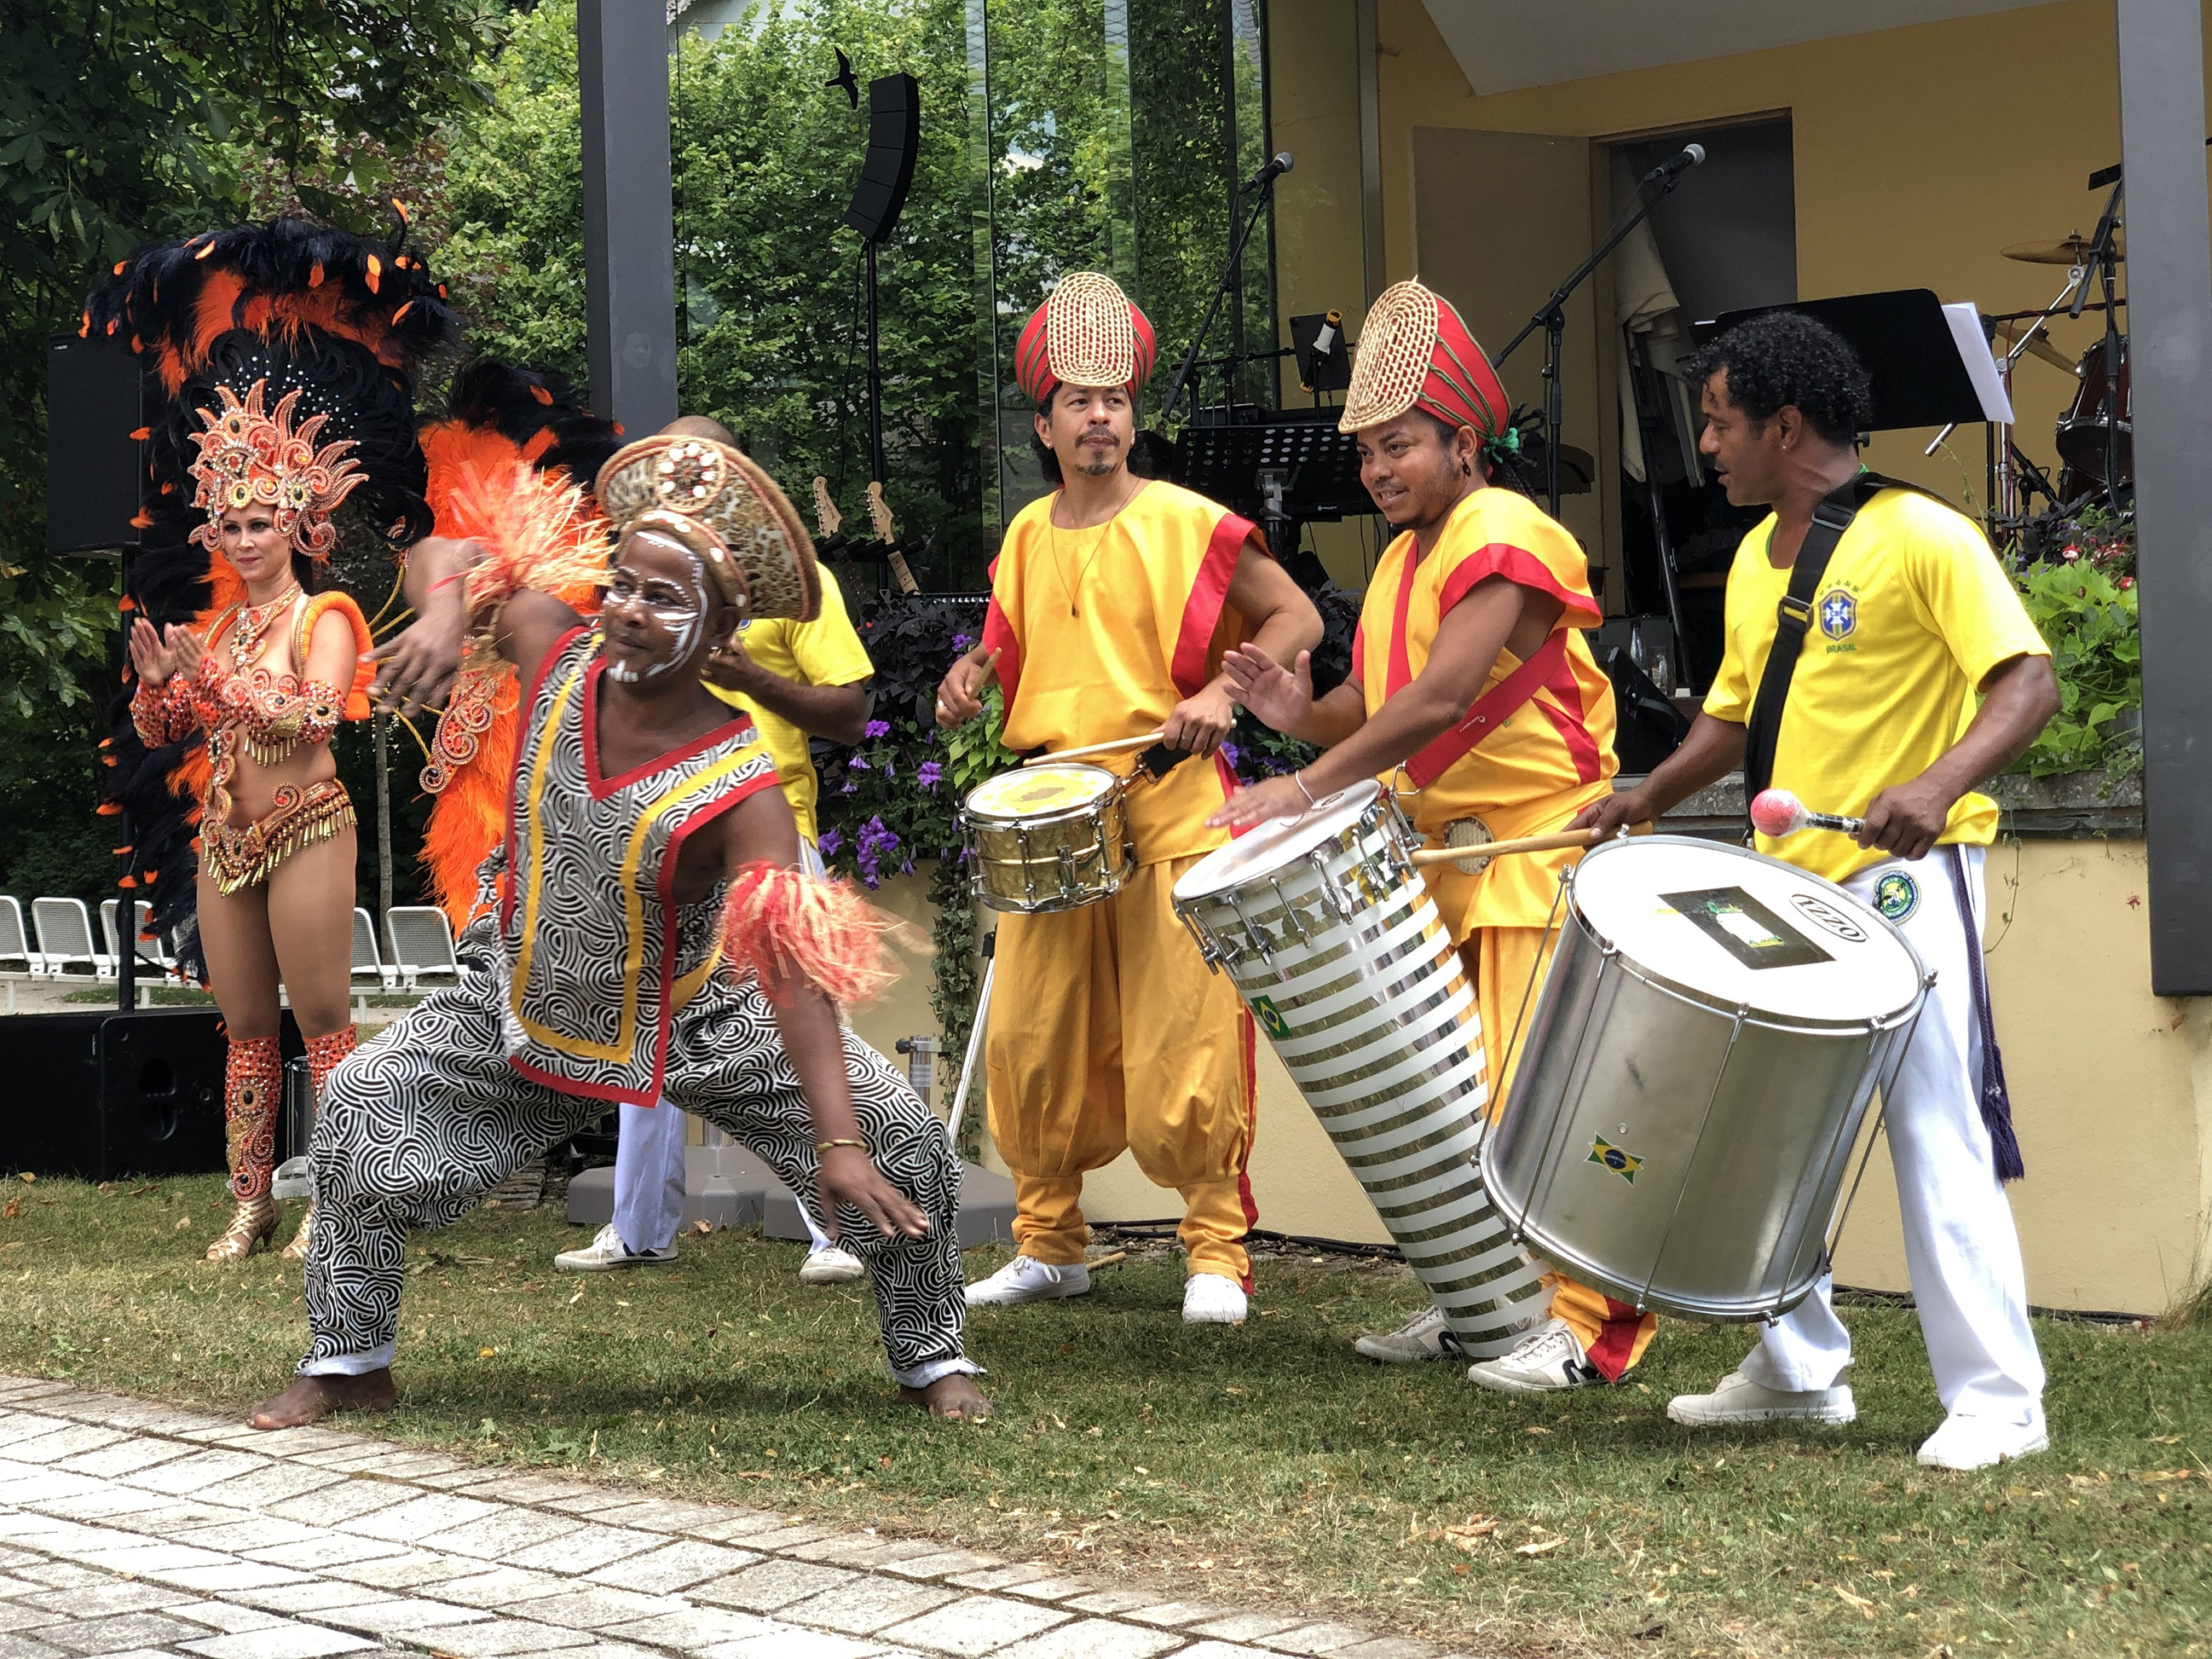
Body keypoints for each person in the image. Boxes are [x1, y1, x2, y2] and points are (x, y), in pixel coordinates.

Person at [248, 434, 990, 1428]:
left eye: (665, 598)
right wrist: (436, 613)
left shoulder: (744, 790)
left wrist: (839, 1139)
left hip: (702, 1016)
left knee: (903, 1145)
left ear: (722, 627)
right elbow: (443, 554)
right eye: (625, 585)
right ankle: (348, 1361)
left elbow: (795, 977)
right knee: (360, 1109)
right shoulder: (555, 643)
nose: (632, 612)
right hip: (518, 994)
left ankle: (932, 1357)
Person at [1574, 311, 2058, 1470]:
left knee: (1935, 1126)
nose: (1707, 444)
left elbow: (2026, 680)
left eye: (1718, 420)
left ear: (1782, 425)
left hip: (1905, 881)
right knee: (1758, 1129)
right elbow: (1732, 715)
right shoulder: (1751, 559)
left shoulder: (1919, 536)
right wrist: (1643, 795)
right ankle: (1795, 1366)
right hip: (1789, 883)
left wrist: (1936, 783)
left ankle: (1998, 1399)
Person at [1210, 279, 1658, 1392]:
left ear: (1465, 440)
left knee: (1534, 1102)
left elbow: (1446, 698)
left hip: (1536, 858)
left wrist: (1302, 786)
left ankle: (1591, 1331)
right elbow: (1368, 705)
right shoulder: (1408, 559)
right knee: (1446, 1107)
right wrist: (1289, 713)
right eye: (1364, 451)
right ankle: (1489, 1309)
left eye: (1396, 445)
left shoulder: (1505, 531)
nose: (1375, 469)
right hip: (1447, 865)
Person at [935, 271, 1320, 1325]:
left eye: (1115, 399)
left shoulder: (1192, 520)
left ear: (1132, 415)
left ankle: (1216, 1254)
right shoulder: (1023, 535)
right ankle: (1049, 1241)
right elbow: (1013, 643)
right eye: (1077, 400)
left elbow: (1296, 622)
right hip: (1056, 814)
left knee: (1184, 1032)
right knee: (1035, 1033)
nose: (1100, 416)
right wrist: (969, 674)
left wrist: (1217, 691)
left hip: (1170, 802)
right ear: (1045, 422)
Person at [552, 415, 877, 1288]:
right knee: (640, 1023)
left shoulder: (790, 588)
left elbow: (849, 712)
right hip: (653, 835)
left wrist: (749, 678)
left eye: (691, 474)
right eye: (662, 475)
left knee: (793, 1017)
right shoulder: (641, 578)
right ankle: (638, 1226)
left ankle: (835, 1227)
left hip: (762, 829)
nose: (674, 488)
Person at [128, 382, 377, 1263]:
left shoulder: (326, 617)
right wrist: (161, 686)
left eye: (261, 521)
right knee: (244, 1028)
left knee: (323, 1023)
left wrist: (218, 684)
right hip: (227, 838)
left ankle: (341, 1201)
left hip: (307, 823)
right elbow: (167, 734)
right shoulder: (224, 628)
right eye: (230, 526)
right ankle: (251, 1203)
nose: (244, 540)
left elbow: (312, 717)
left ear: (298, 526)